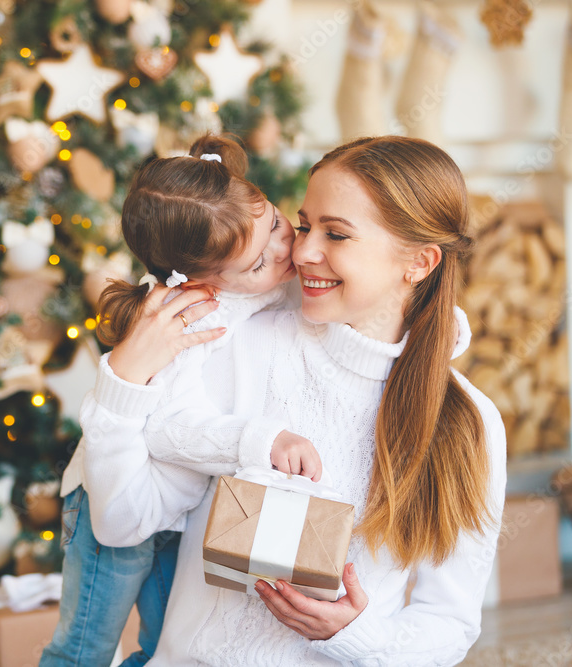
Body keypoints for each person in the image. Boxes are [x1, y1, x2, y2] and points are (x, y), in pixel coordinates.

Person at [80, 135, 507, 665]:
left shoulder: (469, 422)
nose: (300, 251)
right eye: (303, 224)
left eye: (337, 234)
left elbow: (450, 624)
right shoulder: (237, 343)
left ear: (419, 262)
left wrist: (352, 634)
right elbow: (124, 521)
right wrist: (123, 379)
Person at [40, 135, 301, 667]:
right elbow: (171, 428)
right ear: (201, 281)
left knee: (165, 650)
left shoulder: (264, 282)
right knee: (84, 650)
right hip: (109, 500)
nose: (283, 249)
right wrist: (258, 439)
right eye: (255, 264)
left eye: (275, 222)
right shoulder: (192, 319)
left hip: (178, 514)